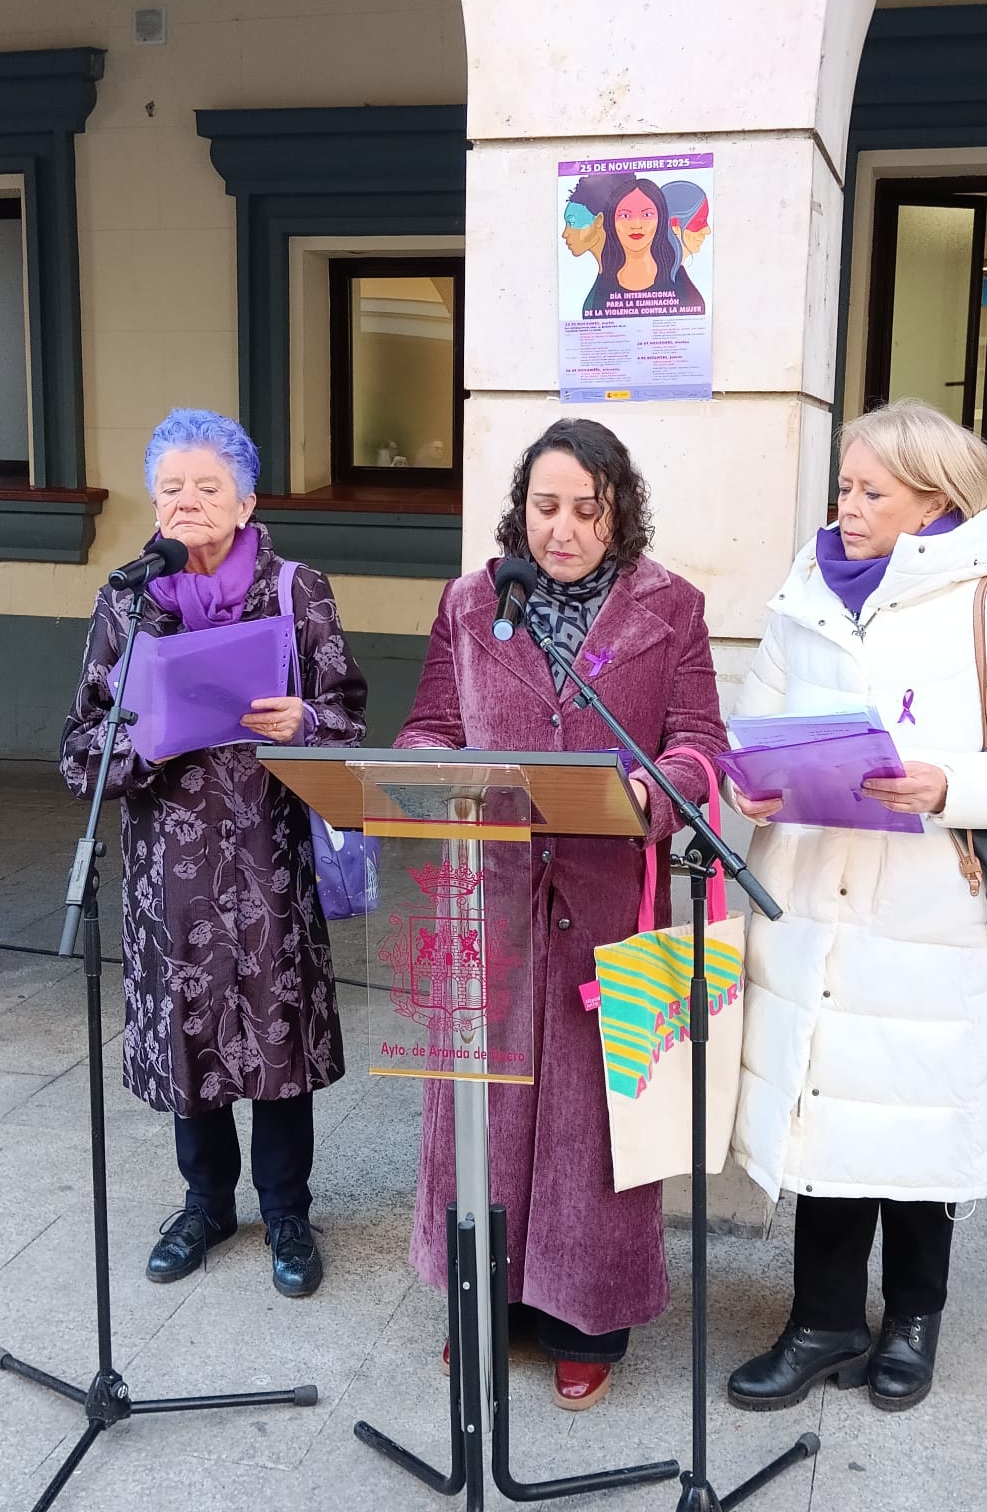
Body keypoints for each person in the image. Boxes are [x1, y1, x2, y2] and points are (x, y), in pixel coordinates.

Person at [724, 398, 987, 1414]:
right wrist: (744, 781)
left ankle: (914, 1319)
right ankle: (822, 1322)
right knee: (826, 1113)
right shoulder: (808, 590)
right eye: (843, 486)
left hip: (932, 912)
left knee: (922, 1120)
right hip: (814, 897)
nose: (846, 505)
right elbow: (753, 724)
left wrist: (946, 785)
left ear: (932, 499)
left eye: (869, 491)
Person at [396, 417, 728, 1410]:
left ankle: (588, 1321)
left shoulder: (673, 609)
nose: (564, 530)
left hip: (608, 906)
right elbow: (428, 729)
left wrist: (654, 795)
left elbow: (701, 742)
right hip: (486, 903)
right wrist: (422, 773)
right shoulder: (472, 604)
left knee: (596, 1127)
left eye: (588, 510)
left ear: (619, 511)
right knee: (482, 1117)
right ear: (521, 508)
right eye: (546, 508)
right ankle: (483, 1306)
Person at [60, 408, 368, 1300]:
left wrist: (305, 720)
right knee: (191, 1040)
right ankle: (204, 1202)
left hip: (270, 857)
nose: (186, 504)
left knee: (277, 1039)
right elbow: (79, 745)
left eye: (206, 488)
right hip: (172, 873)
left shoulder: (295, 589)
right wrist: (142, 747)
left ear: (245, 501)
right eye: (170, 489)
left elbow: (349, 713)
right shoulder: (129, 601)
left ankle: (285, 1210)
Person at [582, 176, 705, 316]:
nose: (636, 225)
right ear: (611, 222)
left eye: (647, 215)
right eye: (625, 216)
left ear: (661, 219)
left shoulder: (678, 279)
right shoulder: (602, 285)